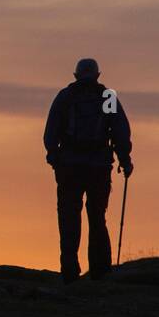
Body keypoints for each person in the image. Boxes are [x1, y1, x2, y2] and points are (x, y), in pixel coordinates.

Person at [42, 58, 133, 282]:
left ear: (75, 75)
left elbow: (50, 132)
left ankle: (70, 270)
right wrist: (125, 159)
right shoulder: (107, 97)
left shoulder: (65, 97)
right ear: (97, 75)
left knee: (68, 217)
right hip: (99, 167)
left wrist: (54, 157)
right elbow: (120, 130)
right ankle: (100, 270)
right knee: (97, 217)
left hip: (69, 167)